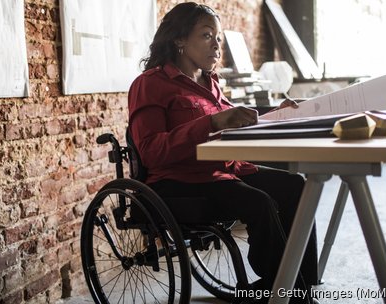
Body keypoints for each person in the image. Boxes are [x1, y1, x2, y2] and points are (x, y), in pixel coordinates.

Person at [128, 3, 318, 303]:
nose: (217, 45)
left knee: (298, 186)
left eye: (218, 37)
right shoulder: (149, 85)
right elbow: (151, 152)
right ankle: (283, 291)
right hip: (180, 180)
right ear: (179, 39)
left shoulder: (210, 82)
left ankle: (302, 284)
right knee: (260, 202)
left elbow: (238, 119)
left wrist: (275, 114)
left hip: (225, 171)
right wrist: (211, 122)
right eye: (206, 36)